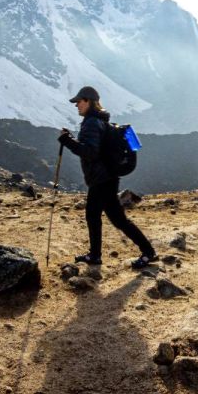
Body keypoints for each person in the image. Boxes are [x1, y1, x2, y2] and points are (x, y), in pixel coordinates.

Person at [59, 86, 157, 268]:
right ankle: (96, 255)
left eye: (79, 102)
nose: (76, 105)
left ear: (88, 101)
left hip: (102, 179)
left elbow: (89, 152)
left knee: (113, 219)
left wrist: (67, 141)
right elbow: (93, 147)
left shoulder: (91, 123)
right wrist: (72, 139)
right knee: (99, 216)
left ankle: (147, 252)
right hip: (106, 177)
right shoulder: (100, 121)